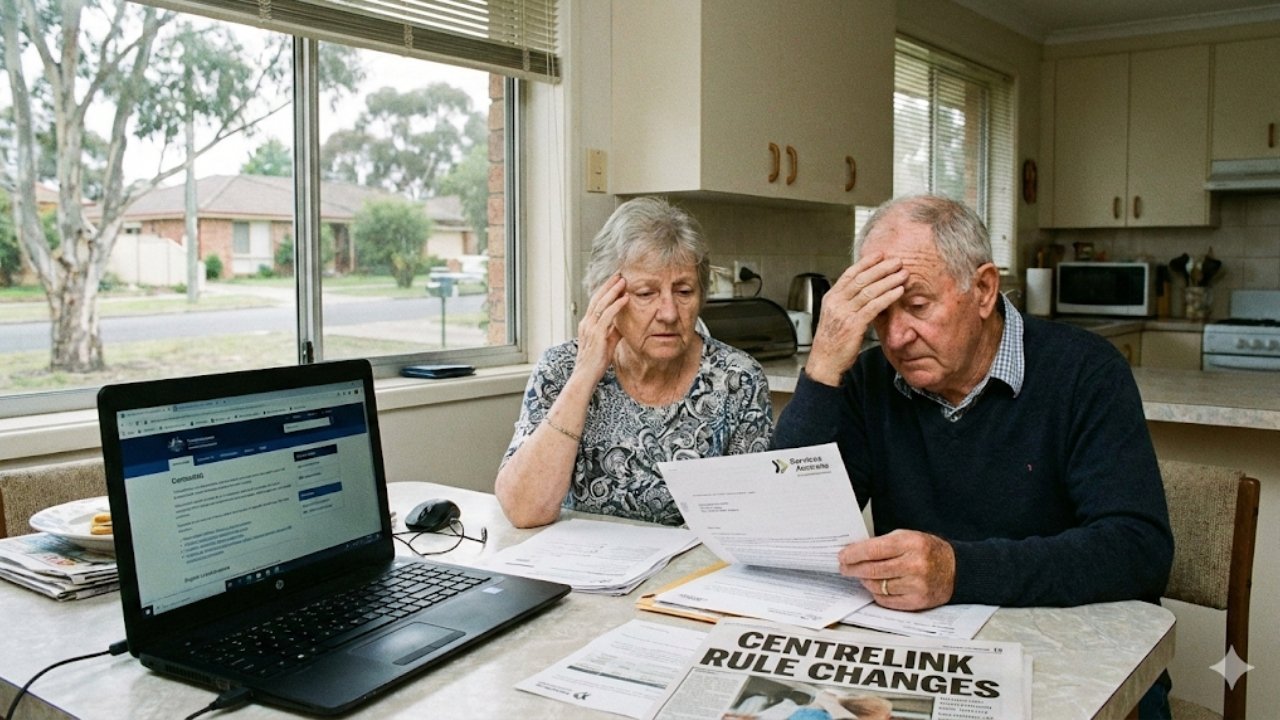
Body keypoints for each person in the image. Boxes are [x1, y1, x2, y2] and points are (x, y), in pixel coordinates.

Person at [771, 194, 1173, 714]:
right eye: (879, 313)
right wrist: (824, 365)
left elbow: (1138, 551)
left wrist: (958, 570)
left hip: (1080, 663)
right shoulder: (871, 380)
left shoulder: (1086, 372)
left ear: (983, 289)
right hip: (931, 659)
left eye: (917, 306)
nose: (895, 336)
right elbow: (786, 534)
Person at [496, 196, 774, 528]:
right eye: (646, 294)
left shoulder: (737, 380)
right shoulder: (560, 369)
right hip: (583, 569)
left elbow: (753, 520)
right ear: (606, 297)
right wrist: (585, 374)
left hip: (690, 573)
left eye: (684, 291)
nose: (669, 313)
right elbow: (524, 511)